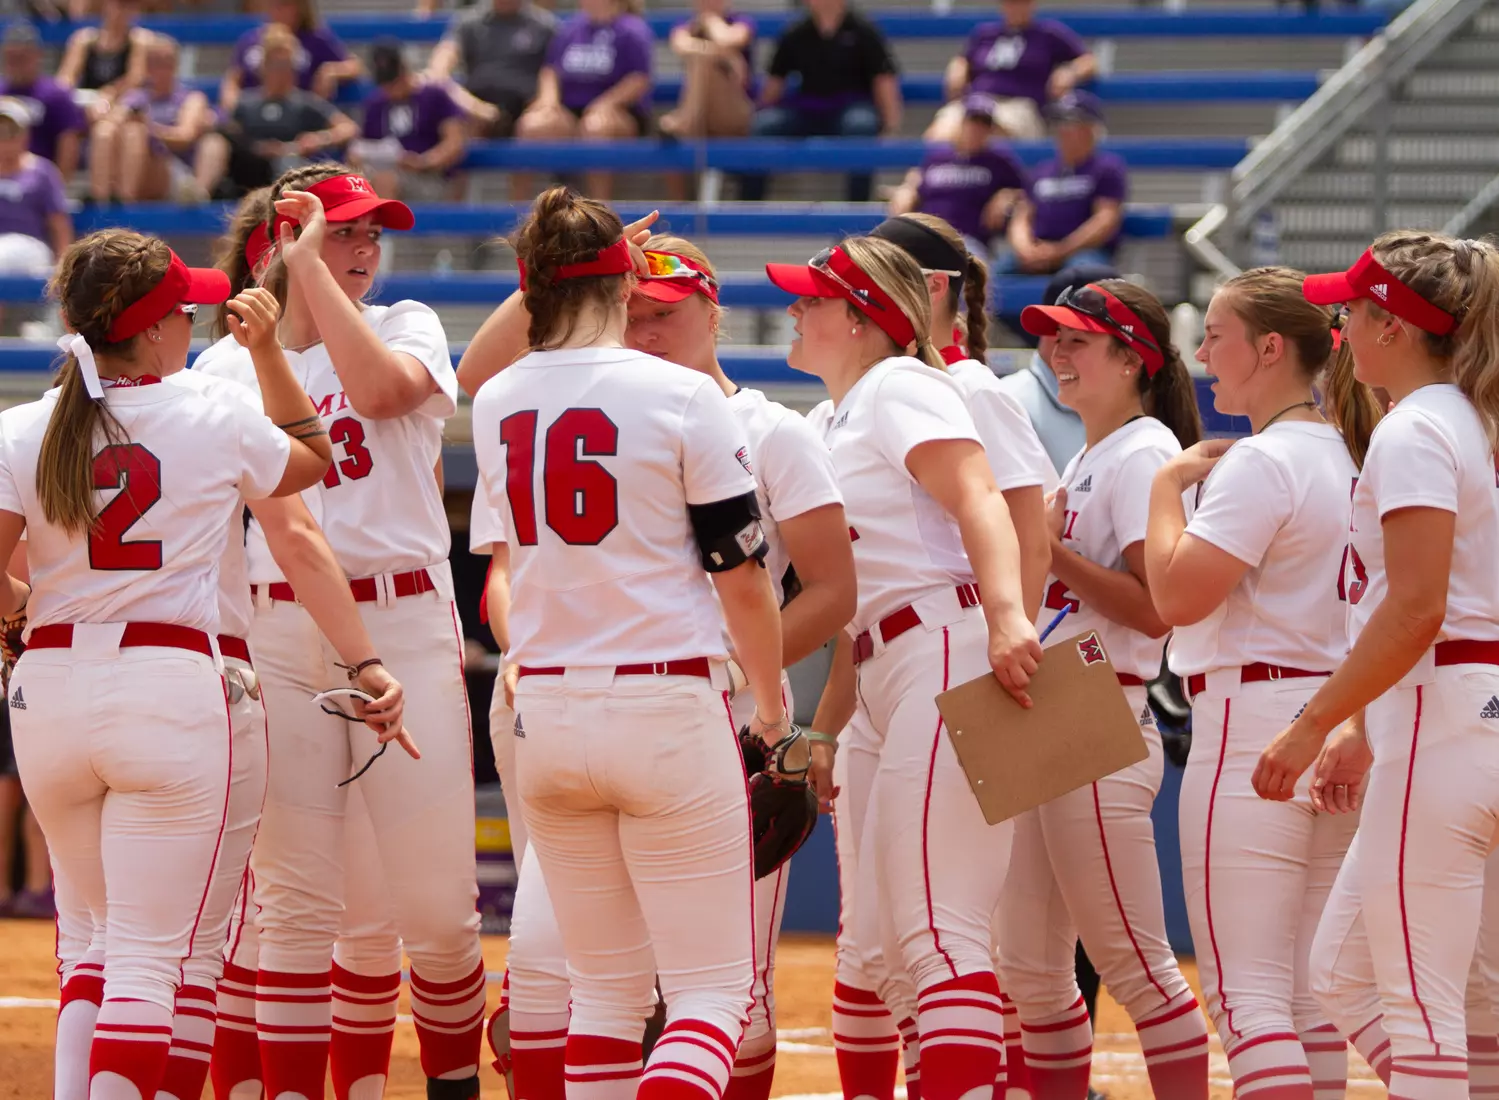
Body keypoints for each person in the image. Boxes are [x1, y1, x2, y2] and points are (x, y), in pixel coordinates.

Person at [458, 224, 856, 1100]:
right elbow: (737, 575)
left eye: (667, 311)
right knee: (690, 994)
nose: (645, 325)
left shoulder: (505, 402)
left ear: (712, 311)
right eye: (633, 307)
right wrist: (766, 705)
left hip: (572, 713)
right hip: (669, 707)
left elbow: (830, 588)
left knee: (625, 996)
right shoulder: (659, 399)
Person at [0, 227, 338, 1100]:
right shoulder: (210, 410)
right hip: (170, 688)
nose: (192, 322)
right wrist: (267, 355)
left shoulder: (24, 425)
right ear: (149, 330)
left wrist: (21, 617)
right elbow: (313, 460)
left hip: (52, 688)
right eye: (181, 312)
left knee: (94, 950)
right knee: (151, 966)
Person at [196, 165, 486, 1100]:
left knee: (437, 915)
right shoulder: (225, 364)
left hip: (402, 617)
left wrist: (310, 269)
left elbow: (382, 391)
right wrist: (299, 265)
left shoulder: (407, 323)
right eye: (343, 233)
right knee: (295, 908)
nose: (363, 251)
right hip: (280, 625)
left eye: (368, 235)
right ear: (282, 241)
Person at [767, 235, 1042, 1100]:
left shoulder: (899, 384)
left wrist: (1007, 617)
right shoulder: (831, 415)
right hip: (890, 661)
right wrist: (828, 723)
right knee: (885, 950)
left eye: (811, 299)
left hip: (949, 647)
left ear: (859, 318)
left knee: (940, 929)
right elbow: (859, 612)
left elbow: (980, 497)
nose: (794, 309)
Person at [1253, 233, 1499, 1100]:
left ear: (1392, 324)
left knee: (1419, 1008)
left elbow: (1415, 608)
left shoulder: (1417, 425)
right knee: (1354, 974)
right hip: (1463, 710)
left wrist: (1312, 721)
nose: (1341, 325)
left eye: (1352, 310)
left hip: (1443, 716)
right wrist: (1358, 723)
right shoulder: (1471, 420)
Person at [1144, 267, 1382, 1098]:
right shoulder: (1355, 453)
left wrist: (1165, 485)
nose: (1202, 353)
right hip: (1342, 720)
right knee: (1311, 1000)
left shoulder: (1262, 462)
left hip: (1256, 723)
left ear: (1270, 348)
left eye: (1215, 335)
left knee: (1249, 1000)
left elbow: (1172, 595)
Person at [998, 278, 1210, 1100]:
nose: (1056, 351)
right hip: (1051, 708)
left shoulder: (1143, 449)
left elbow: (1156, 611)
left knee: (1131, 960)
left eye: (1077, 339)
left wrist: (1050, 554)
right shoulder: (1095, 451)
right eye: (1053, 336)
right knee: (1029, 967)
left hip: (1097, 707)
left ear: (1133, 359)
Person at [739, 0, 900, 204]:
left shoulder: (864, 31)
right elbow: (774, 85)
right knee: (764, 126)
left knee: (861, 126)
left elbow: (883, 79)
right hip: (807, 109)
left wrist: (891, 124)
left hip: (850, 109)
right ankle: (749, 205)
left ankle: (857, 209)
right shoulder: (795, 33)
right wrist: (754, 112)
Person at [513, 0, 653, 201]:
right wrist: (549, 100)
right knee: (531, 125)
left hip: (618, 111)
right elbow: (550, 70)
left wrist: (605, 104)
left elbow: (639, 78)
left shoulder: (632, 29)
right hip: (570, 110)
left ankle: (600, 214)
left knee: (595, 128)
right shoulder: (570, 29)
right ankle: (517, 211)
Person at [203, 24, 359, 197]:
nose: (282, 72)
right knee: (214, 142)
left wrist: (318, 139)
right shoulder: (245, 103)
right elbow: (226, 129)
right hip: (248, 169)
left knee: (288, 163)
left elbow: (348, 127)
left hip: (290, 164)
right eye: (276, 65)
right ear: (264, 67)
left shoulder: (306, 103)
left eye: (287, 65)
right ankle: (200, 194)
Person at [926, 0, 1096, 142]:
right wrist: (958, 67)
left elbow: (1089, 61)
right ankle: (917, 180)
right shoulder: (985, 34)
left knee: (983, 134)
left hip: (1020, 107)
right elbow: (964, 58)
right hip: (976, 101)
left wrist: (1069, 72)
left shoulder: (1048, 34)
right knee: (939, 132)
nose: (1015, 7)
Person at [995, 265, 1111, 473]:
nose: (1061, 345)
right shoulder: (1009, 400)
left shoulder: (1138, 404)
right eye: (1057, 328)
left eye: (1077, 336)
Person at [999, 91, 1127, 276]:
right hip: (1038, 248)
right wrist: (1025, 249)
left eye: (1070, 122)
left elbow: (1105, 220)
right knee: (992, 275)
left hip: (1083, 251)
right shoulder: (1042, 171)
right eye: (1059, 122)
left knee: (1080, 275)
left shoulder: (1106, 168)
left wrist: (1061, 250)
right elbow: (1022, 216)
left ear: (1090, 128)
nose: (1062, 130)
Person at [888, 95, 1028, 261]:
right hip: (926, 235)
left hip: (966, 241)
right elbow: (916, 184)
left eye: (984, 125)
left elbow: (1029, 193)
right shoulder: (938, 157)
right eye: (973, 122)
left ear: (991, 130)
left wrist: (1008, 194)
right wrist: (908, 188)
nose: (977, 129)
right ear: (963, 123)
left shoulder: (999, 161)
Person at [94, 36, 219, 204]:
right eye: (155, 63)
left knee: (136, 133)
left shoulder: (190, 99)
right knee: (105, 131)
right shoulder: (135, 97)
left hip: (172, 168)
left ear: (175, 65)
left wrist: (149, 128)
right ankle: (101, 199)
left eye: (167, 62)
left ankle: (125, 201)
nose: (161, 69)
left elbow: (184, 137)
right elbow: (114, 119)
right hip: (134, 164)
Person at [353, 39, 469, 201]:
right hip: (384, 173)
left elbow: (454, 143)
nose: (391, 88)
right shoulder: (375, 103)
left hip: (430, 179)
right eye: (385, 83)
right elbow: (361, 147)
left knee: (385, 181)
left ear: (404, 70)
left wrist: (424, 162)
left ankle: (385, 226)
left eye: (394, 81)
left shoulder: (434, 95)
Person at [422, 0, 556, 137]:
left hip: (526, 107)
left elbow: (552, 72)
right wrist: (477, 108)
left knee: (543, 126)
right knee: (453, 120)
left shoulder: (544, 25)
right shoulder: (468, 22)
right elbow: (442, 62)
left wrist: (543, 105)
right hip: (476, 107)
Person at [219, 0, 362, 115]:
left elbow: (354, 66)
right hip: (252, 115)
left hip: (296, 118)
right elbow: (233, 78)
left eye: (285, 4)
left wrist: (331, 71)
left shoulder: (316, 39)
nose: (278, 9)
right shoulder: (251, 39)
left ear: (301, 7)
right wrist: (234, 107)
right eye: (273, 4)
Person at [0, 22, 87, 184]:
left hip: (37, 184)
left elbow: (69, 143)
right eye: (11, 57)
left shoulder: (55, 95)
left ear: (37, 55)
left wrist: (55, 188)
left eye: (22, 57)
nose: (16, 64)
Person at [660, 0, 756, 139]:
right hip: (700, 109)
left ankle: (686, 122)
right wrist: (727, 57)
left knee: (704, 62)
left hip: (734, 109)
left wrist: (711, 21)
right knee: (702, 62)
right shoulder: (685, 26)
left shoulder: (742, 22)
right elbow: (680, 45)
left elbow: (728, 39)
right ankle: (689, 120)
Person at [0, 97, 71, 279]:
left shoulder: (42, 171)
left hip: (30, 247)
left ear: (25, 135)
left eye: (11, 131)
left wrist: (63, 268)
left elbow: (59, 224)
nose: (5, 138)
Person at [54, 0, 150, 124]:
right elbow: (66, 77)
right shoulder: (84, 40)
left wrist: (109, 94)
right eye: (119, 5)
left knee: (107, 127)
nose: (122, 11)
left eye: (129, 6)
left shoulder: (138, 41)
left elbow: (135, 78)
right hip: (87, 101)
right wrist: (64, 97)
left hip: (120, 102)